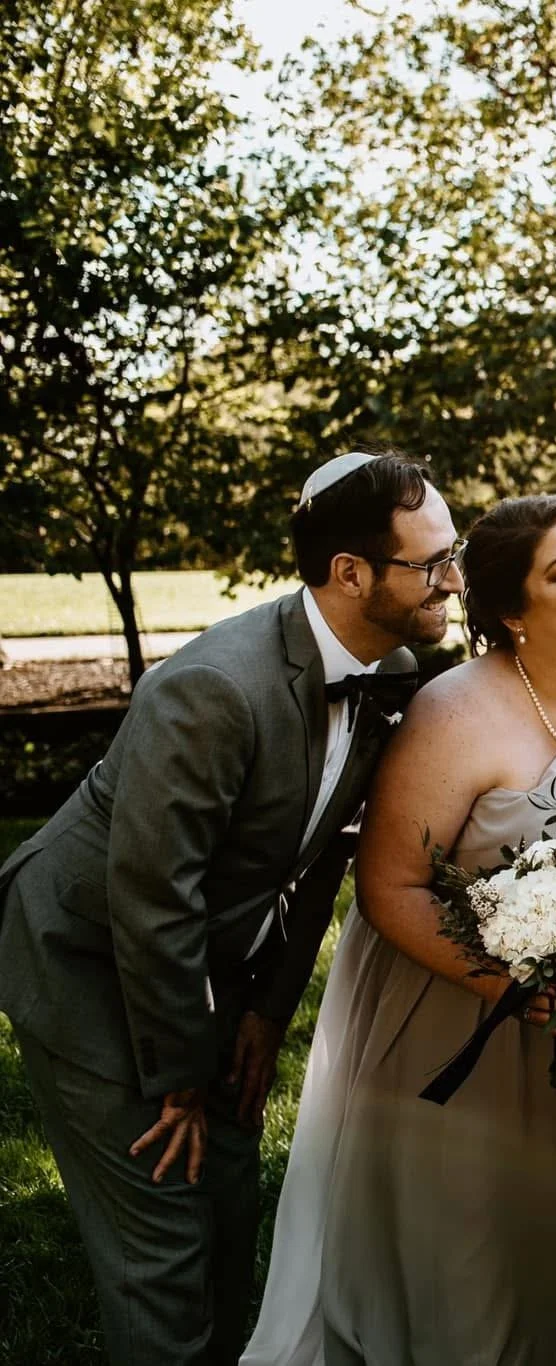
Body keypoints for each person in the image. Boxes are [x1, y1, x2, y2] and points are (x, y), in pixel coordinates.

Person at [0, 451, 449, 1365]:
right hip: (83, 946)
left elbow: (319, 867)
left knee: (231, 1201)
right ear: (352, 574)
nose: (455, 579)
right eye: (433, 563)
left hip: (208, 957)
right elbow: (153, 897)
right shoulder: (211, 690)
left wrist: (260, 1016)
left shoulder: (390, 668)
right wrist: (179, 1079)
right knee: (163, 1221)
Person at [289, 495, 556, 1365]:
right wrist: (507, 983)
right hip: (460, 1022)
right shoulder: (454, 712)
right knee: (469, 1260)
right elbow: (388, 886)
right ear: (512, 611)